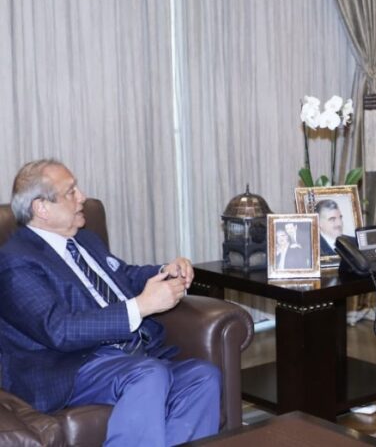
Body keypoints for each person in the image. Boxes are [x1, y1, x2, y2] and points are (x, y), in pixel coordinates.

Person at [0, 159, 221, 446]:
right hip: (69, 366)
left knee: (203, 377)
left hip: (124, 357)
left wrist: (166, 271)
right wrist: (141, 306)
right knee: (148, 375)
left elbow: (123, 276)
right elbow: (59, 329)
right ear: (41, 208)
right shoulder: (16, 260)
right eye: (71, 192)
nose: (82, 197)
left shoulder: (86, 240)